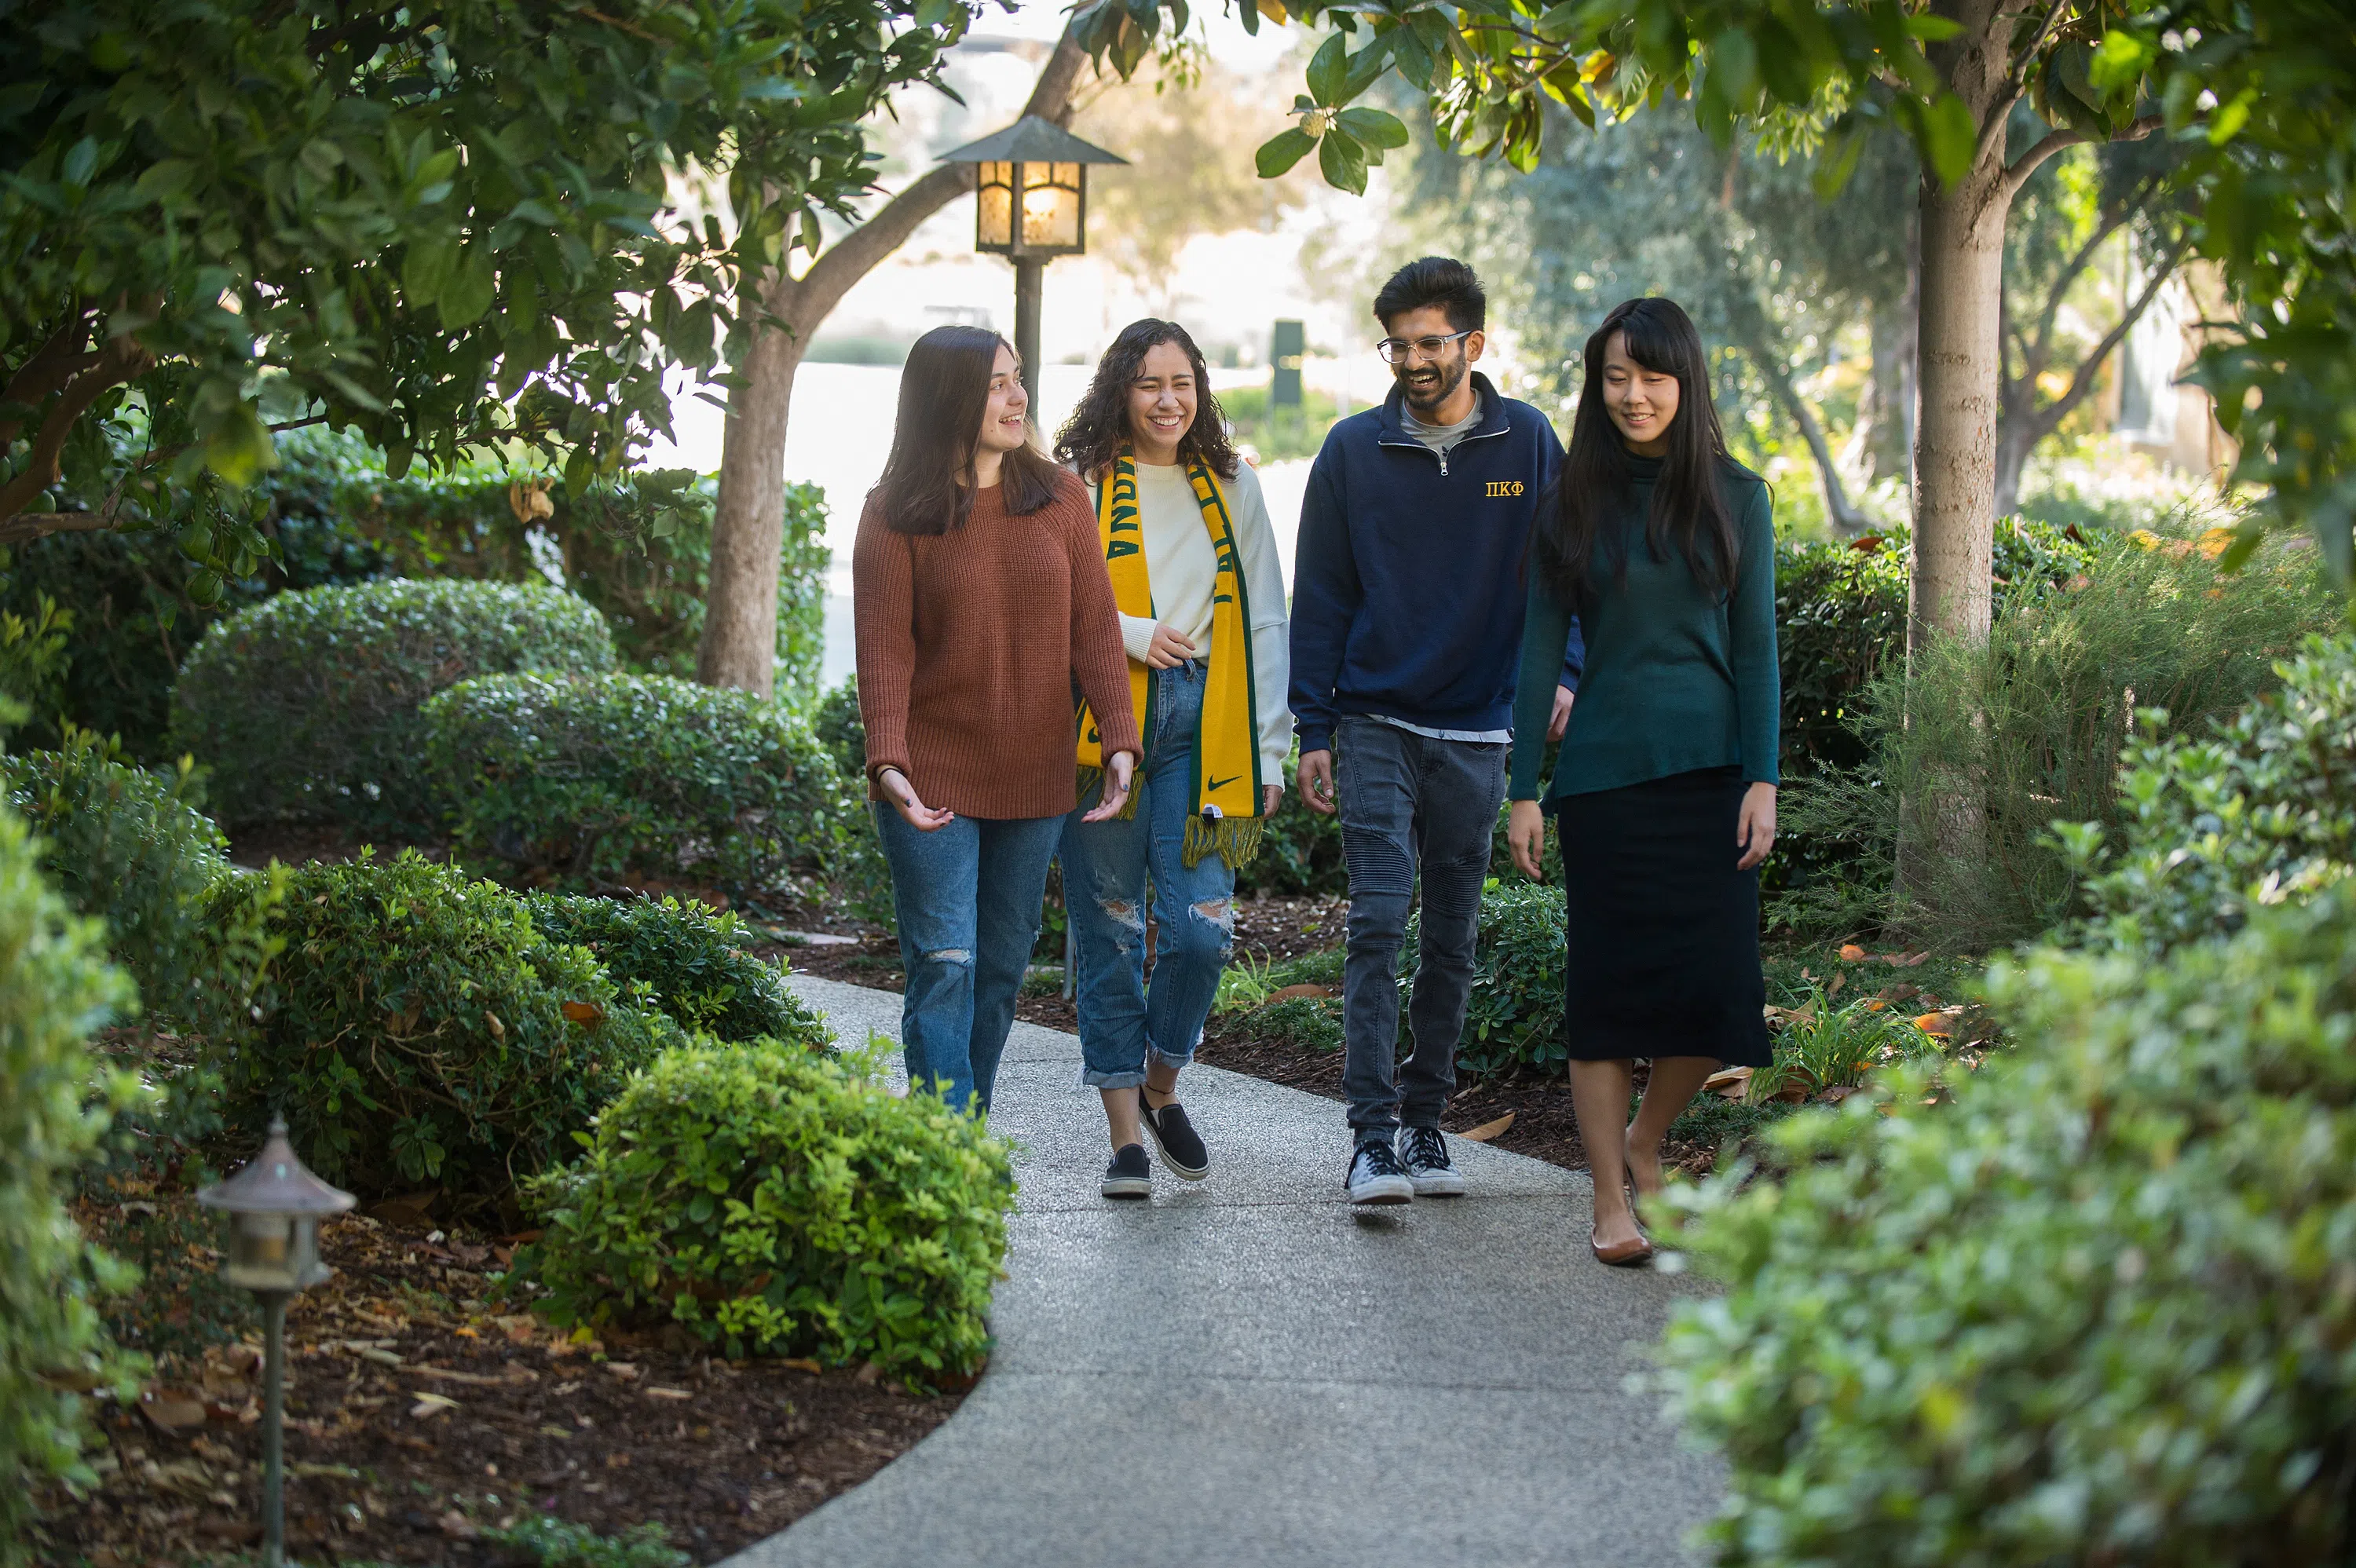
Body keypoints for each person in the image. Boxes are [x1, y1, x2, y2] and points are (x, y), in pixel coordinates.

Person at [1290, 256, 1579, 1206]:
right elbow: (1323, 594)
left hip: (1480, 729)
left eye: (1430, 341)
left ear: (1473, 345)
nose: (1412, 359)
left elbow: (1569, 572)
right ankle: (1370, 1138)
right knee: (1379, 920)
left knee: (1452, 933)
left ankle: (1425, 1123)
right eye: (1398, 343)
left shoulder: (1528, 442)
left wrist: (1565, 672)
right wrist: (1314, 725)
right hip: (1374, 716)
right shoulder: (1350, 451)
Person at [1505, 296, 1780, 1267]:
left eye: (1650, 376)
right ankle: (1609, 1200)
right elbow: (1539, 651)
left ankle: (1646, 1140)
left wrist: (1764, 777)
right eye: (1614, 376)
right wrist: (1524, 788)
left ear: (1685, 380)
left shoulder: (1739, 497)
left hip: (1711, 780)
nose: (1631, 395)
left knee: (1720, 997)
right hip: (1607, 782)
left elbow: (1756, 650)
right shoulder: (1570, 502)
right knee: (1609, 996)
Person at [854, 324, 1140, 1114]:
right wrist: (889, 766)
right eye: (995, 384)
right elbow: (883, 655)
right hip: (930, 778)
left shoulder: (1058, 496)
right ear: (947, 399)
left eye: (1017, 380)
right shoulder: (893, 515)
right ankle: (939, 1144)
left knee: (1000, 969)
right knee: (945, 960)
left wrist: (1119, 739)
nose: (1017, 397)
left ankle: (961, 1132)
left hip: (1036, 779)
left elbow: (1094, 628)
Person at [1052, 320, 1293, 1201]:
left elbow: (1266, 614)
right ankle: (1124, 1136)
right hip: (1099, 721)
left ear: (1200, 389)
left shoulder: (1233, 486)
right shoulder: (1078, 484)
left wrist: (1272, 747)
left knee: (1201, 929)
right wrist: (1132, 633)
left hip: (1209, 721)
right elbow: (1053, 600)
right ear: (1121, 388)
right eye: (1149, 383)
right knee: (1110, 927)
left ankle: (1162, 1084)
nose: (1167, 400)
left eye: (1182, 383)